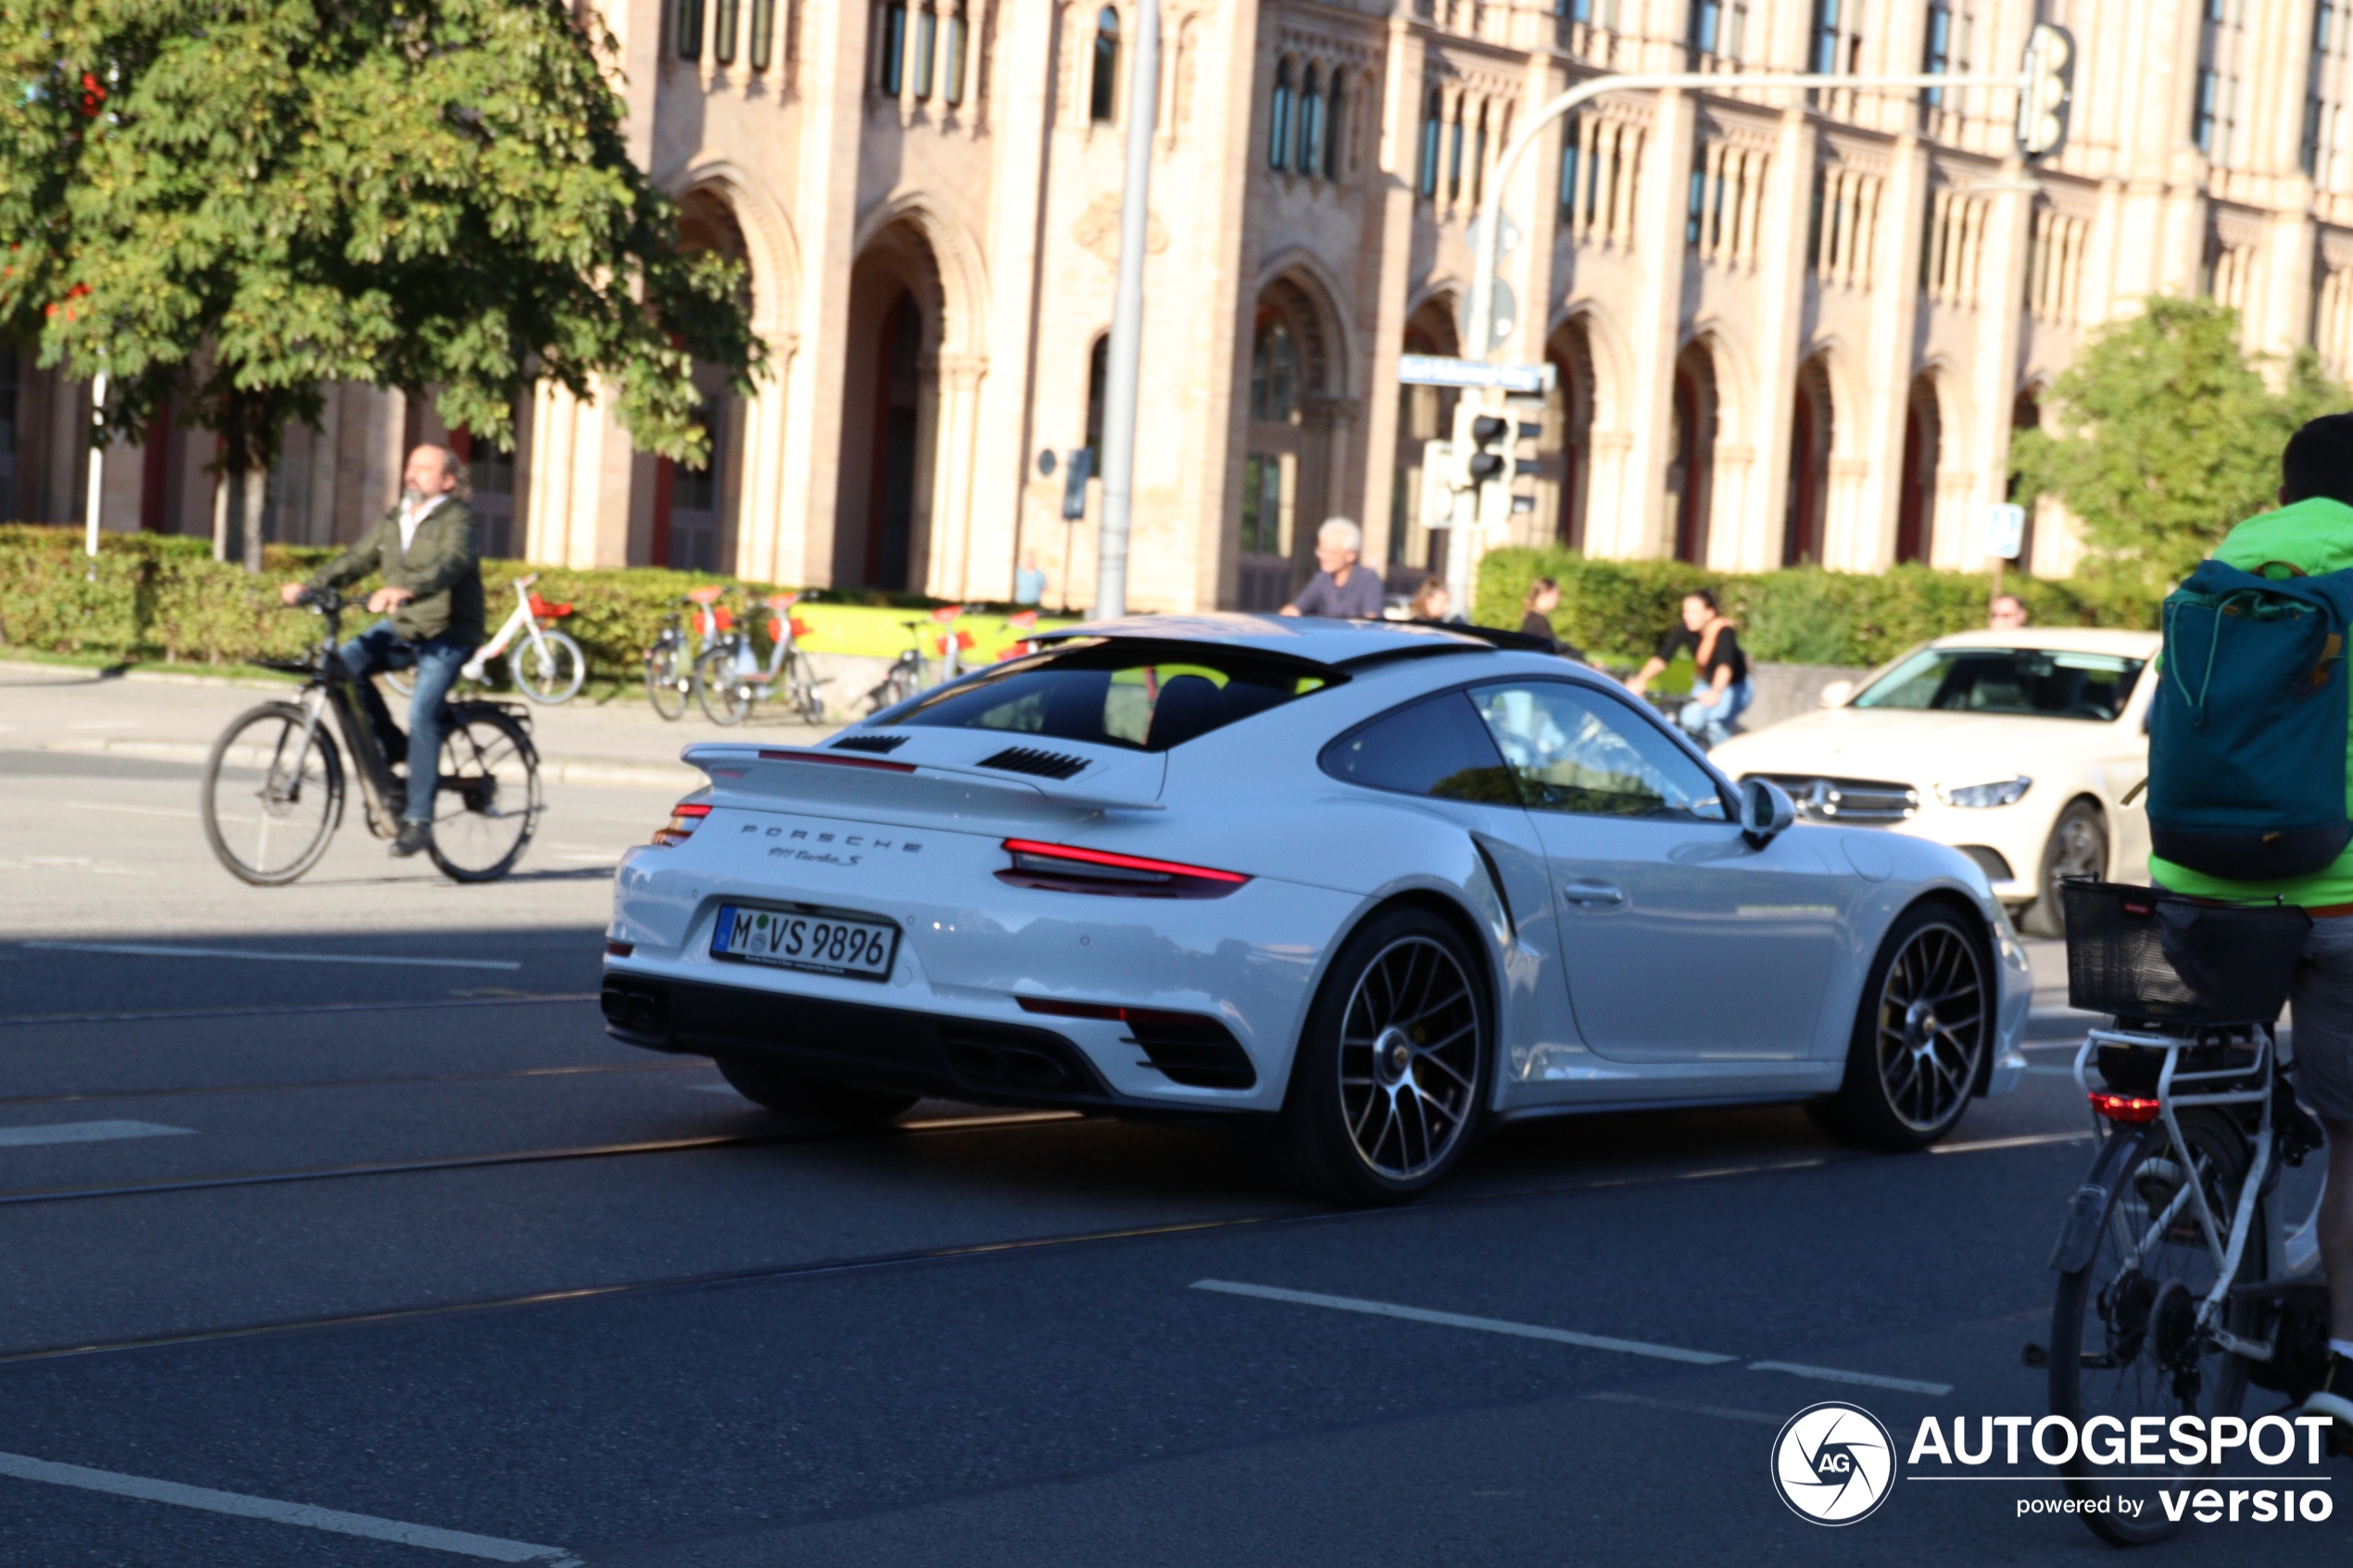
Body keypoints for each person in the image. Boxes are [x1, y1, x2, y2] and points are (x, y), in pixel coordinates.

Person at [2146, 412, 2353, 1444]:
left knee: (2209, 1076)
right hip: (2334, 890)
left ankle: (2182, 1180)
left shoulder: (2214, 571)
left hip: (2193, 879)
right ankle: (2343, 1371)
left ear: (2288, 488)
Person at [280, 445, 484, 858]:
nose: (413, 473)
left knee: (423, 711)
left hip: (449, 630)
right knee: (344, 665)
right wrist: (313, 586)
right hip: (407, 625)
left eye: (424, 468)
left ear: (447, 480)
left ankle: (418, 819)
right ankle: (393, 749)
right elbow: (357, 558)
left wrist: (408, 587)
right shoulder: (396, 519)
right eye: (410, 465)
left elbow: (453, 563)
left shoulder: (457, 519)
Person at [1628, 588, 1748, 748]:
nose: (1686, 616)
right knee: (1688, 723)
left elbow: (1724, 666)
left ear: (1709, 613)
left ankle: (1726, 763)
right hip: (1706, 683)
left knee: (1715, 724)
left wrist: (1716, 692)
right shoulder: (1686, 629)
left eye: (1692, 612)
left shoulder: (1724, 632)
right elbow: (1662, 658)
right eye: (1685, 611)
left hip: (1733, 686)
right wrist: (1640, 680)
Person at [1278, 517, 1385, 619]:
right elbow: (1294, 610)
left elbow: (1371, 622)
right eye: (1321, 551)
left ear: (1351, 556)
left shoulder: (1368, 579)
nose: (1323, 557)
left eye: (1331, 553)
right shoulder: (1322, 579)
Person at [1516, 577, 1588, 662]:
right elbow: (1552, 650)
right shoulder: (1536, 621)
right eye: (1556, 594)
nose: (1558, 598)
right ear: (1546, 593)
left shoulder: (1536, 618)